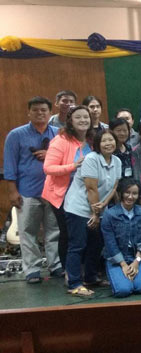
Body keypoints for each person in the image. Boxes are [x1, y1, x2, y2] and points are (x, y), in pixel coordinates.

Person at [4, 96, 61, 283]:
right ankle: (32, 270)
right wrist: (12, 191)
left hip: (53, 191)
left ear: (50, 113)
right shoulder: (16, 135)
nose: (40, 113)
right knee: (28, 232)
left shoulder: (58, 134)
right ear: (29, 112)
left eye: (44, 110)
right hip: (27, 191)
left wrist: (50, 154)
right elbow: (10, 165)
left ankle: (55, 265)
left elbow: (66, 160)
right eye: (35, 110)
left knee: (54, 231)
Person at [64, 129, 121, 297]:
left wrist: (103, 205)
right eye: (104, 141)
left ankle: (90, 277)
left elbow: (115, 186)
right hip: (79, 209)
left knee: (96, 245)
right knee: (78, 245)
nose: (108, 144)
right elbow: (91, 188)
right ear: (97, 144)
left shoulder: (116, 160)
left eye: (111, 140)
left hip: (99, 208)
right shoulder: (91, 159)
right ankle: (74, 283)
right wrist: (95, 214)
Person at [43, 105, 94, 271]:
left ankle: (86, 271)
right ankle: (68, 271)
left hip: (86, 194)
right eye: (78, 117)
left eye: (86, 117)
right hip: (62, 195)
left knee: (88, 232)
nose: (83, 120)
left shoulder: (93, 139)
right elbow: (48, 168)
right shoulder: (60, 140)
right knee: (69, 233)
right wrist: (72, 166)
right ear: (70, 121)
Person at [101, 178, 141, 298]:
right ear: (120, 193)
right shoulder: (110, 215)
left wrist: (136, 261)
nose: (130, 197)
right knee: (123, 290)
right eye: (127, 192)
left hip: (138, 257)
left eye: (134, 193)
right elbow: (110, 243)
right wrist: (123, 265)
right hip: (117, 258)